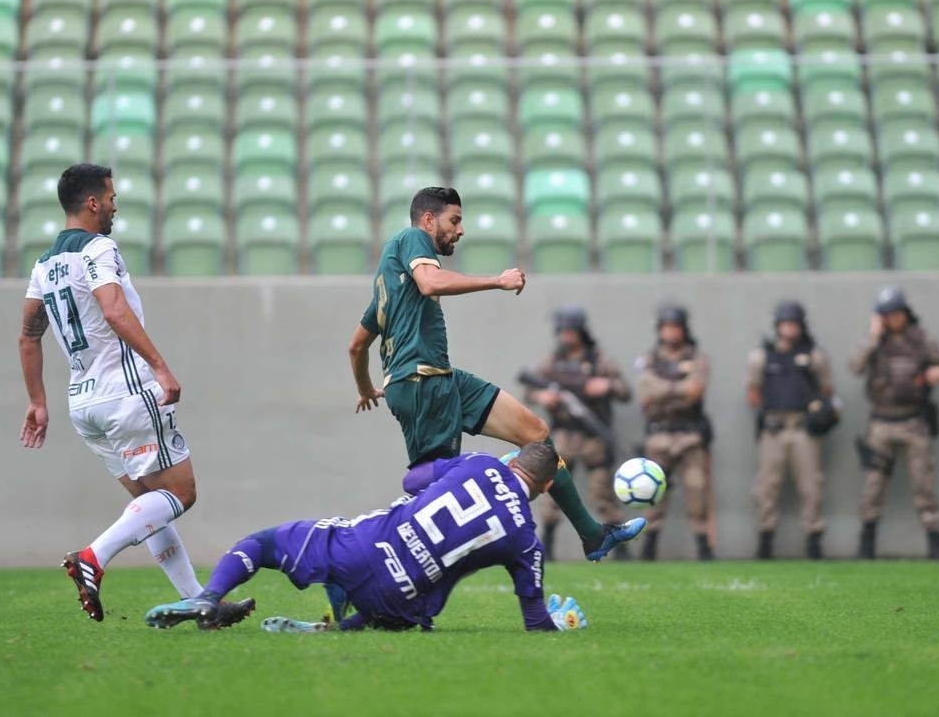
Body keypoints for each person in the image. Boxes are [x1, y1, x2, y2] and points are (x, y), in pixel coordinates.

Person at [346, 187, 644, 562]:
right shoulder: (411, 239)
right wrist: (497, 281)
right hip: (420, 383)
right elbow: (431, 282)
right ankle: (368, 559)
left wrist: (366, 388)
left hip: (441, 378)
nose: (460, 230)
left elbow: (357, 346)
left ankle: (591, 534)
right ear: (427, 220)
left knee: (536, 435)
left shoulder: (390, 287)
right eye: (454, 220)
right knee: (436, 494)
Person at [18, 163, 252, 627]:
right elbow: (112, 308)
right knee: (180, 494)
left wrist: (37, 402)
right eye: (111, 197)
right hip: (125, 392)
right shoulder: (99, 249)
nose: (114, 206)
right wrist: (160, 366)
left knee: (150, 505)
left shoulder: (43, 265)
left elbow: (29, 334)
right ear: (92, 203)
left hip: (83, 403)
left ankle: (199, 603)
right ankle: (93, 557)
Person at [143, 444, 588, 634]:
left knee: (263, 544)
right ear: (547, 488)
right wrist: (559, 626)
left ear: (512, 460)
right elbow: (534, 621)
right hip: (404, 598)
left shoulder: (476, 461)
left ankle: (207, 596)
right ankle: (335, 629)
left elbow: (412, 480)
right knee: (396, 614)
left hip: (366, 547)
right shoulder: (526, 540)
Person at [849, 286, 939, 560]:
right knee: (873, 486)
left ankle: (936, 547)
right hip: (881, 422)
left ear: (906, 313)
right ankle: (866, 548)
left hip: (914, 421)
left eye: (896, 313)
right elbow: (855, 366)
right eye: (886, 315)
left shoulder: (922, 340)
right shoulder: (875, 342)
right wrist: (873, 337)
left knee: (924, 485)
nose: (892, 319)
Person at [524, 307, 632, 559]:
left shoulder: (599, 359)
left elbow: (624, 391)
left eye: (571, 332)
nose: (567, 337)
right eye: (563, 331)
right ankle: (547, 545)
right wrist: (543, 396)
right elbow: (529, 390)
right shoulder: (552, 361)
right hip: (563, 436)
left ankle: (620, 546)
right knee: (551, 489)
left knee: (602, 492)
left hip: (593, 436)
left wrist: (606, 386)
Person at [746, 301, 837, 560]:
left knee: (811, 486)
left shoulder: (814, 355)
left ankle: (813, 540)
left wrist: (816, 410)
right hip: (774, 427)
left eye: (794, 324)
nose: (789, 329)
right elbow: (753, 393)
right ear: (777, 326)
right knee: (767, 486)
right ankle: (765, 541)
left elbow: (827, 390)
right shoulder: (762, 356)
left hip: (802, 427)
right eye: (785, 324)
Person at [635, 304, 714, 561]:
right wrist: (677, 386)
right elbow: (646, 396)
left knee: (697, 492)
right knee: (652, 493)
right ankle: (649, 547)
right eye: (667, 327)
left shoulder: (696, 357)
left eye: (675, 327)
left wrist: (663, 389)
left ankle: (704, 546)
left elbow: (694, 392)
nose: (671, 332)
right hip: (659, 437)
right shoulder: (650, 359)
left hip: (690, 436)